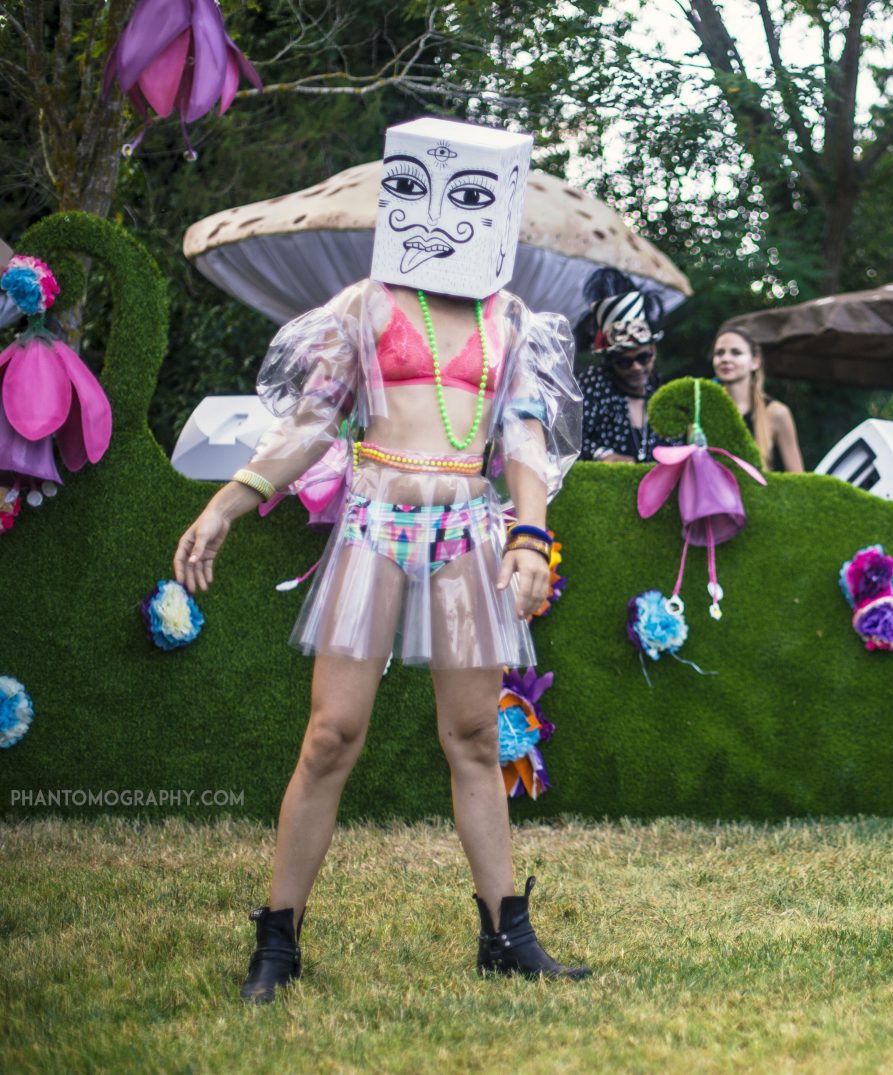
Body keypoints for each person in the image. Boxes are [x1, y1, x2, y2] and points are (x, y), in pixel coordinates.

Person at [171, 117, 591, 1002]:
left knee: (475, 736)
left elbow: (525, 438)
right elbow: (310, 422)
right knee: (331, 734)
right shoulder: (366, 305)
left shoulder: (511, 319)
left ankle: (506, 935)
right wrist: (226, 503)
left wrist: (529, 535)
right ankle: (277, 943)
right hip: (374, 525)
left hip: (466, 530)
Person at [574, 269, 682, 462]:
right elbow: (570, 437)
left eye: (643, 357)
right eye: (624, 362)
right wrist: (603, 455)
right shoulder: (595, 383)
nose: (636, 367)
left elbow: (676, 447)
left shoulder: (660, 393)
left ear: (653, 350)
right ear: (610, 360)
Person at [711, 327, 803, 472]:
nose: (725, 359)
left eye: (736, 352)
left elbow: (797, 476)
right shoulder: (704, 411)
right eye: (719, 353)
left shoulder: (776, 413)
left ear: (755, 362)